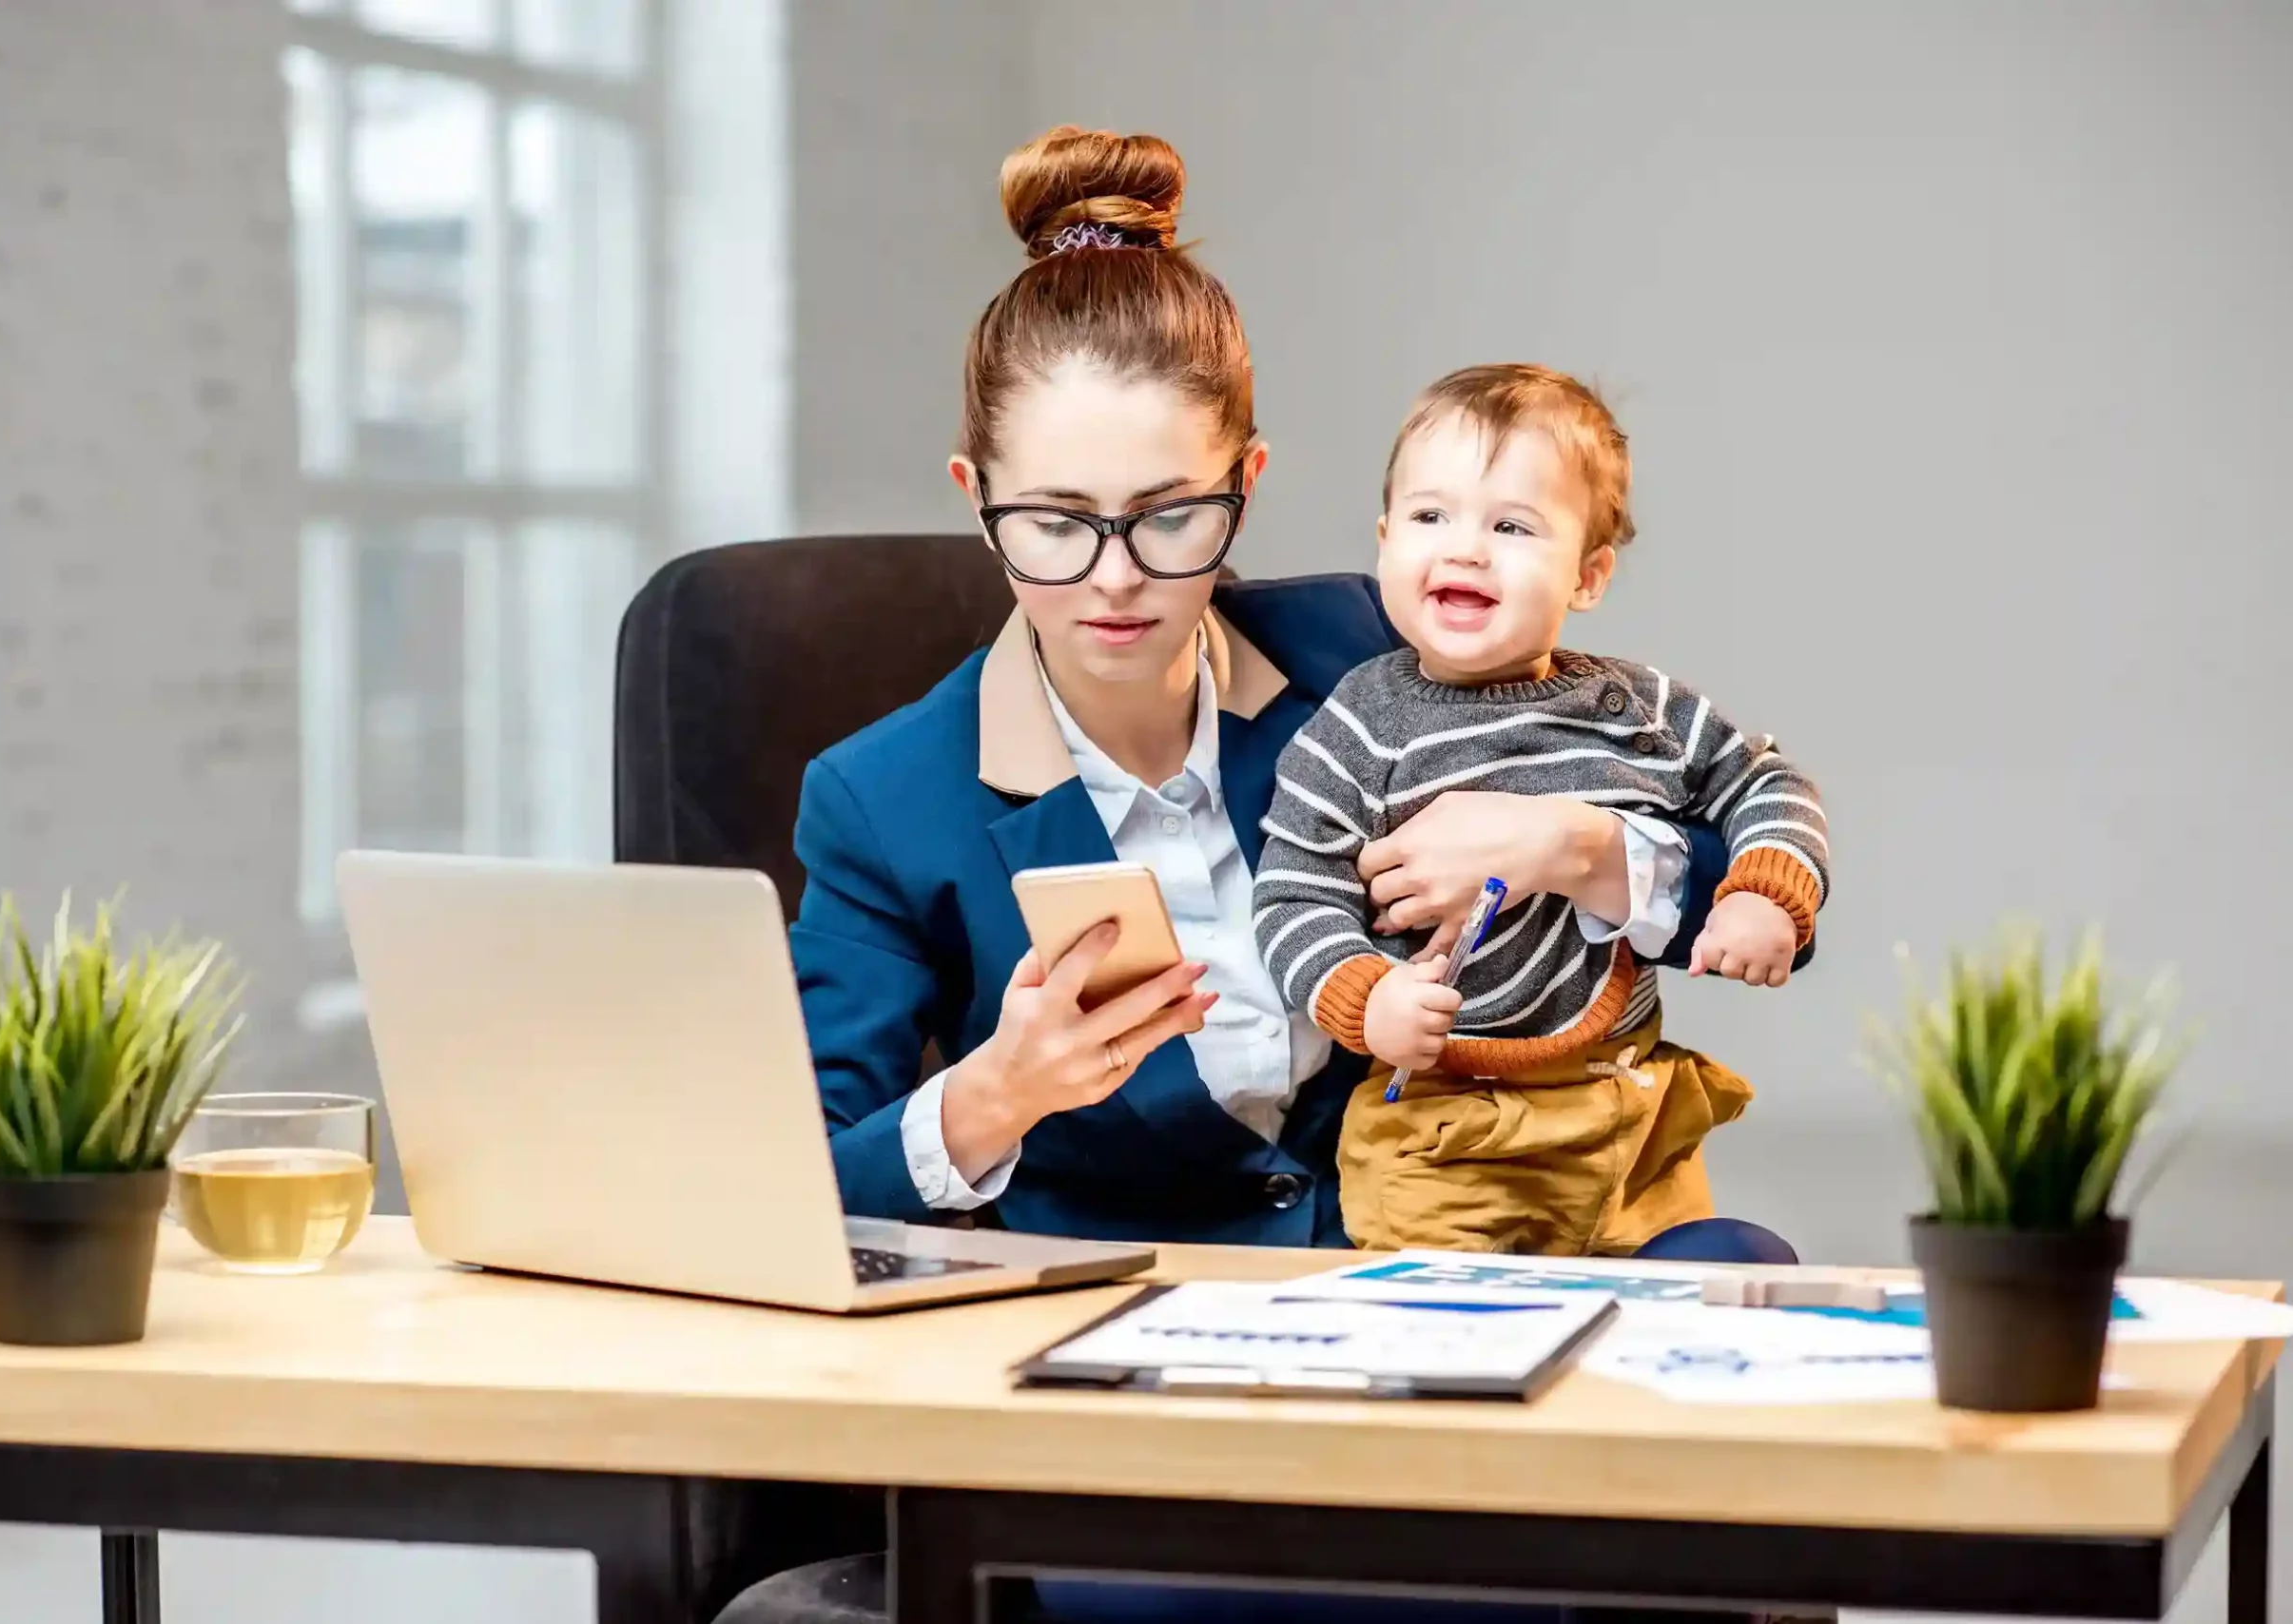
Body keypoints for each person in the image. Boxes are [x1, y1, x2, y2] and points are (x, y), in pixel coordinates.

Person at [735, 126, 1802, 1624]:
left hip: (1440, 1278)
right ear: (975, 492)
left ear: (1248, 480)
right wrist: (991, 1100)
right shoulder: (886, 795)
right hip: (1141, 1364)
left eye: (1172, 516)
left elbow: (1732, 851)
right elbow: (787, 1193)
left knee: (1746, 1290)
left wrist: (1570, 844)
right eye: (1053, 524)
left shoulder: (1378, 651)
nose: (1116, 576)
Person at [1254, 363, 1830, 1256]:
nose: (1466, 550)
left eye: (1512, 526)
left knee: (1707, 1286)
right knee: (1459, 1319)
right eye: (1430, 517)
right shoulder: (1358, 727)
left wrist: (1764, 890)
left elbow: (1766, 782)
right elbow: (1295, 894)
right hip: (1445, 1135)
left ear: (1588, 576)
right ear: (1385, 541)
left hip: (1625, 1111)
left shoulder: (1632, 708)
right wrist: (1366, 998)